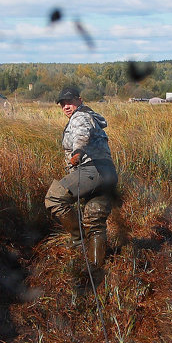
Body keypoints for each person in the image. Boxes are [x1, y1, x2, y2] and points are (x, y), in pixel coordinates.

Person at [44, 86, 118, 268]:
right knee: (95, 222)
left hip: (91, 170)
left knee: (53, 198)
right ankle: (95, 268)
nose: (66, 107)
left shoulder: (81, 117)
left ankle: (79, 240)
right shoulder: (91, 117)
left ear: (80, 100)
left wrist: (77, 153)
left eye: (69, 102)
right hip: (108, 174)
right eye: (62, 104)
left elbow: (81, 134)